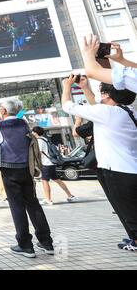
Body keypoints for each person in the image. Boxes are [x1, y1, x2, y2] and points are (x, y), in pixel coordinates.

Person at [62, 75, 137, 252]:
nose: (100, 95)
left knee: (128, 211)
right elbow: (97, 105)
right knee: (131, 208)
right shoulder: (128, 111)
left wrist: (67, 86)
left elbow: (67, 106)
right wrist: (85, 87)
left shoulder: (107, 113)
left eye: (102, 92)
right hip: (129, 168)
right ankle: (133, 238)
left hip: (116, 171)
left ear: (108, 96)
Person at [0, 98, 54, 258]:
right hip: (27, 169)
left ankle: (25, 245)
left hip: (9, 170)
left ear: (3, 111)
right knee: (33, 205)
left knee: (17, 207)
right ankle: (47, 243)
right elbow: (7, 121)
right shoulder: (23, 123)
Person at [31, 127, 77, 206]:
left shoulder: (39, 141)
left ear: (35, 133)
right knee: (57, 180)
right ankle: (70, 195)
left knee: (44, 181)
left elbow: (39, 152)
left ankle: (48, 199)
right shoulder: (46, 139)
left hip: (46, 163)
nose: (32, 133)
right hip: (51, 163)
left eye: (32, 132)